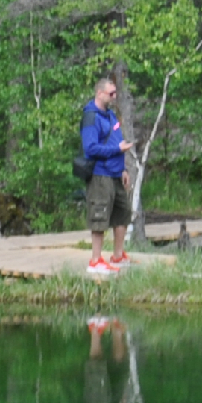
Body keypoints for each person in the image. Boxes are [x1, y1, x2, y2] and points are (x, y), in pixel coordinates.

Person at [81, 74, 135, 274]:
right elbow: (90, 148)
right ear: (99, 93)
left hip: (116, 173)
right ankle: (95, 261)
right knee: (99, 215)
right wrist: (117, 151)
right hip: (99, 174)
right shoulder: (91, 117)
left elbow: (117, 140)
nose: (114, 96)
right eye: (111, 93)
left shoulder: (111, 115)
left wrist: (124, 169)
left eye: (115, 93)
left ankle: (118, 255)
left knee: (123, 212)